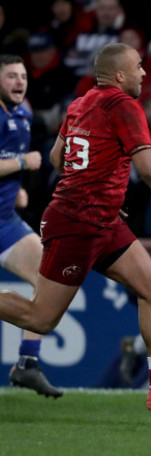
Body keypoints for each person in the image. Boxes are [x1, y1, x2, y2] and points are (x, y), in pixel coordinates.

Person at [0, 43, 151, 416]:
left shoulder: (80, 103)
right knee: (41, 318)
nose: (144, 73)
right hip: (79, 223)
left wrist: (100, 185)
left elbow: (55, 157)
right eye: (139, 66)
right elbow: (148, 170)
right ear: (119, 75)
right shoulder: (123, 105)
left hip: (102, 219)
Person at [0, 54, 62, 398]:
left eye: (22, 76)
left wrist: (16, 187)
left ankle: (27, 363)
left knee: (50, 277)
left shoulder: (23, 113)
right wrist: (21, 163)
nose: (19, 82)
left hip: (4, 220)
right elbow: (11, 160)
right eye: (11, 76)